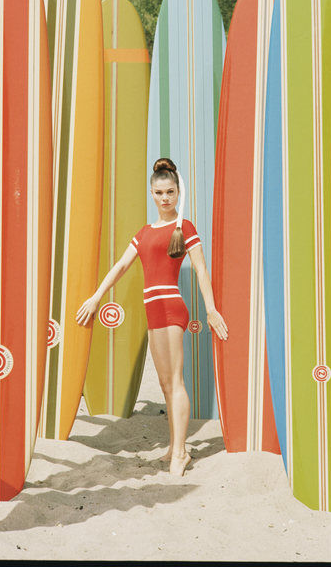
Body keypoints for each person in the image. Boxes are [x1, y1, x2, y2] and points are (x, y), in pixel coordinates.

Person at [76, 158, 228, 476]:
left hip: (171, 307)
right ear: (151, 193)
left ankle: (182, 453)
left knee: (175, 381)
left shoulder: (183, 227)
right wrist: (95, 297)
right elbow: (120, 266)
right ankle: (173, 447)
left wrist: (211, 309)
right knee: (164, 383)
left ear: (177, 192)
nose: (164, 198)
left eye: (170, 192)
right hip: (152, 309)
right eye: (158, 193)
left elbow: (201, 269)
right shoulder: (145, 232)